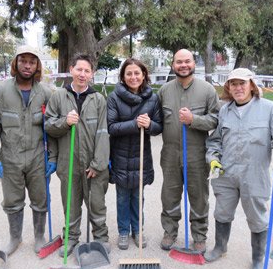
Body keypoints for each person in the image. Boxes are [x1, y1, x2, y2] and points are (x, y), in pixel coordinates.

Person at [205, 68, 273, 269]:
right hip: (226, 173)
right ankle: (220, 247)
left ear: (251, 86)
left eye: (242, 83)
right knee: (222, 213)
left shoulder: (269, 109)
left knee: (257, 218)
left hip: (255, 175)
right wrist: (213, 158)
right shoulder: (225, 110)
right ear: (228, 88)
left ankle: (257, 258)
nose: (237, 88)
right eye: (233, 84)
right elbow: (215, 141)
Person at [0, 45, 57, 256]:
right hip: (10, 159)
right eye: (23, 60)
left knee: (40, 199)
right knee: (12, 201)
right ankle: (15, 238)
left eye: (32, 62)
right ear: (15, 63)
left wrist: (53, 156)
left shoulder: (45, 93)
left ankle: (40, 237)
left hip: (37, 158)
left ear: (37, 66)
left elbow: (51, 130)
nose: (27, 65)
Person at [45, 53, 110, 256]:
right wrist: (65, 122)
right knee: (71, 205)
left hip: (93, 165)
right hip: (69, 162)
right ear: (71, 70)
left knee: (97, 204)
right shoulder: (58, 97)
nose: (82, 74)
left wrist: (98, 163)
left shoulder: (99, 99)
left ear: (92, 74)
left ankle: (100, 238)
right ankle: (71, 238)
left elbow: (103, 132)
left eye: (87, 71)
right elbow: (48, 126)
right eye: (79, 69)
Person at [158, 49, 220, 253]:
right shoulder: (164, 91)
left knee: (198, 197)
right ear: (173, 64)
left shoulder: (207, 90)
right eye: (179, 62)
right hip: (170, 154)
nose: (183, 65)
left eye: (187, 61)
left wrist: (195, 120)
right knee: (169, 195)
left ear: (194, 63)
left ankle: (199, 235)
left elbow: (216, 120)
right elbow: (157, 120)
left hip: (197, 154)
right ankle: (170, 231)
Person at [107, 58, 163, 250]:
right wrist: (134, 124)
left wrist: (149, 125)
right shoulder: (114, 97)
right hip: (120, 156)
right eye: (129, 73)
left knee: (138, 196)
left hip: (141, 156)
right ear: (123, 76)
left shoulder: (153, 98)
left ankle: (138, 230)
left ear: (144, 75)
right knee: (122, 196)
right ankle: (123, 231)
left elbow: (158, 127)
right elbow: (111, 127)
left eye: (137, 73)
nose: (133, 77)